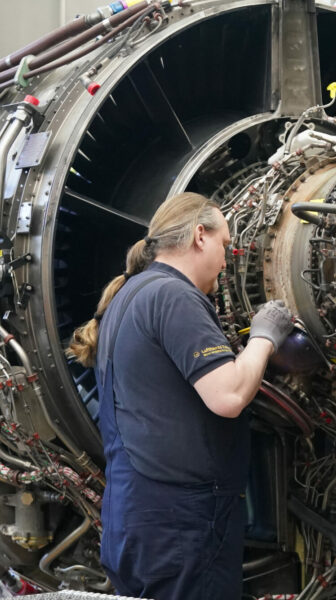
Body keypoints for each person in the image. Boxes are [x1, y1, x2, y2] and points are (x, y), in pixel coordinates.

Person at [66, 192, 294, 600]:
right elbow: (228, 395)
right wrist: (265, 334)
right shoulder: (174, 296)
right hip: (179, 527)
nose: (226, 262)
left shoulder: (129, 295)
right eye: (225, 245)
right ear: (199, 236)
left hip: (136, 517)